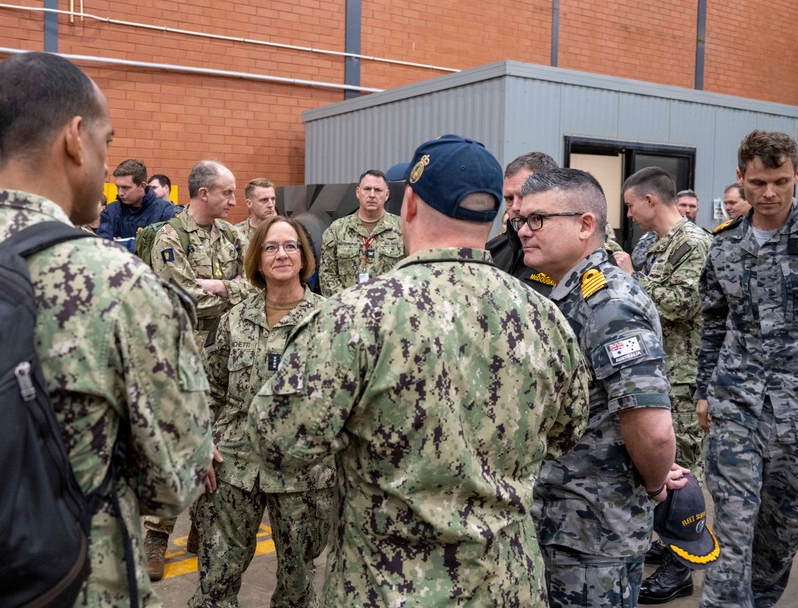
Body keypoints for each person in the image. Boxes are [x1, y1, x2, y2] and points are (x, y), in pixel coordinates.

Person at [250, 134, 591, 606]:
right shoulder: (547, 317)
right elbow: (566, 433)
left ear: (407, 203)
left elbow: (279, 443)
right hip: (509, 585)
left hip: (386, 588)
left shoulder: (356, 316)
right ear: (495, 214)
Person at [0, 51, 211, 606]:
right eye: (106, 144)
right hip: (76, 581)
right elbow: (177, 480)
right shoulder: (121, 287)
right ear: (75, 137)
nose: (107, 168)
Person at [516, 167, 686, 607]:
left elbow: (653, 430)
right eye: (520, 220)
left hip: (593, 535)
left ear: (585, 225)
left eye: (538, 220)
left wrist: (653, 489)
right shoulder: (569, 296)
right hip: (564, 525)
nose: (523, 231)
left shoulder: (610, 305)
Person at [190, 216, 331, 608]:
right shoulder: (234, 319)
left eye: (291, 246)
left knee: (298, 586)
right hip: (233, 467)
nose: (282, 254)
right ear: (258, 259)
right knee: (215, 581)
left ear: (304, 257)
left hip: (303, 474)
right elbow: (208, 388)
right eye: (271, 247)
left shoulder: (330, 321)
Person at [695, 130, 798, 607]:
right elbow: (714, 321)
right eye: (758, 183)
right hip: (736, 404)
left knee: (778, 537)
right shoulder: (724, 246)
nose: (769, 193)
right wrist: (702, 389)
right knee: (733, 533)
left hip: (794, 416)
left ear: (796, 175)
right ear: (740, 178)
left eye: (780, 181)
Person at [146, 159, 248, 580]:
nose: (234, 200)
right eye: (227, 192)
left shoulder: (231, 235)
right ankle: (157, 533)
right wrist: (233, 293)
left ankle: (201, 529)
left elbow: (256, 283)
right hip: (183, 358)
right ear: (203, 193)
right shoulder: (169, 237)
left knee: (219, 445)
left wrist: (223, 287)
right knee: (175, 443)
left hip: (227, 356)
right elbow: (181, 298)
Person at [615, 167, 713, 603]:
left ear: (651, 201)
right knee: (656, 469)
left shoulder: (696, 243)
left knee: (682, 472)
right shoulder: (650, 243)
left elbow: (684, 303)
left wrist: (630, 277)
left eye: (632, 204)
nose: (629, 212)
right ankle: (665, 539)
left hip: (683, 375)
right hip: (653, 368)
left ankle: (680, 570)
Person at [318, 169, 404, 296]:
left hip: (389, 310)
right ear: (358, 192)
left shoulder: (403, 229)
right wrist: (349, 303)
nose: (372, 195)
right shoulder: (337, 230)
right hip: (347, 310)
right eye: (367, 189)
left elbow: (410, 272)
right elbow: (326, 275)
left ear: (387, 195)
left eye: (378, 190)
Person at [486, 151, 558, 296]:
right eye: (509, 198)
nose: (515, 207)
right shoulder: (493, 250)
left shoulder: (570, 254)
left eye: (522, 195)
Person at [97, 158, 176, 240]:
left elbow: (164, 247)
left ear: (142, 186)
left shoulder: (165, 211)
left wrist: (124, 245)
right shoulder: (110, 211)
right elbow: (102, 246)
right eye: (118, 187)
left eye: (126, 187)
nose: (120, 193)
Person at [234, 177, 277, 253]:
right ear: (249, 203)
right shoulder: (236, 233)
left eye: (273, 199)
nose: (270, 205)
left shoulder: (284, 230)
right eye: (264, 200)